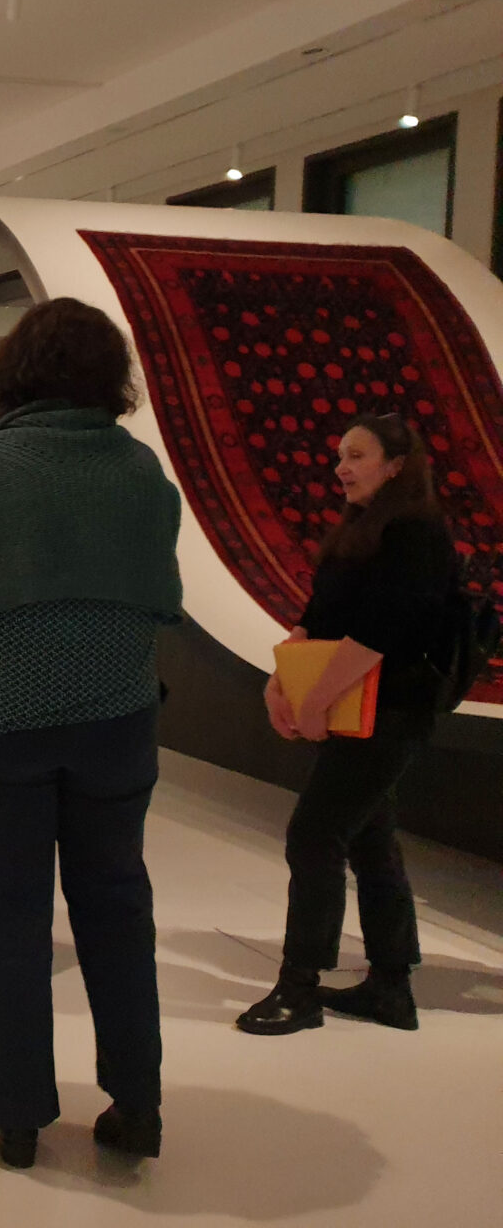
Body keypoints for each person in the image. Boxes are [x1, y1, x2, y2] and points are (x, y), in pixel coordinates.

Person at [0, 298, 181, 1169]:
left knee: (12, 916)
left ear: (14, 372)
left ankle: (16, 1117)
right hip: (116, 721)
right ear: (110, 377)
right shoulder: (141, 475)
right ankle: (138, 1107)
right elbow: (160, 599)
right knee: (118, 909)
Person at [238, 414, 458, 1038]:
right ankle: (391, 986)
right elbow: (317, 616)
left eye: (356, 455)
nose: (341, 465)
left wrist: (316, 698)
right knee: (368, 837)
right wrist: (281, 679)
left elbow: (385, 632)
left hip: (390, 712)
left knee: (314, 834)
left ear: (397, 465)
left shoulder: (416, 531)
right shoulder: (362, 529)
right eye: (340, 454)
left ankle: (300, 985)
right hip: (357, 709)